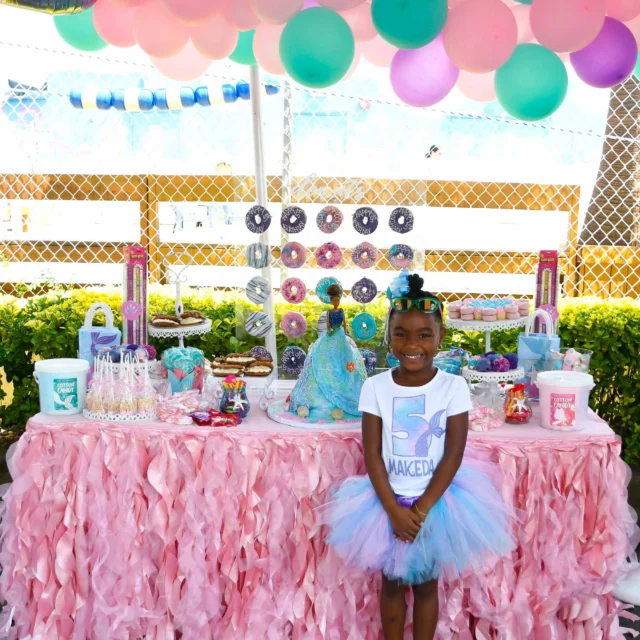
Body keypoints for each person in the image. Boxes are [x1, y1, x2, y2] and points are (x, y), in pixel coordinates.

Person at [320, 271, 515, 639]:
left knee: (426, 585)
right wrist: (395, 511)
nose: (413, 344)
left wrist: (421, 510)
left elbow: (453, 455)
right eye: (401, 334)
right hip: (384, 504)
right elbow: (373, 455)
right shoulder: (375, 387)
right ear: (389, 337)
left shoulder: (453, 386)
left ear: (440, 337)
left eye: (424, 335)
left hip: (438, 504)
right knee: (391, 584)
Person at [289, 283, 367, 421]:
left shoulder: (341, 311)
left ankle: (343, 392)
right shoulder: (329, 313)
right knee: (323, 356)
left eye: (337, 300)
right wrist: (329, 331)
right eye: (334, 300)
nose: (336, 302)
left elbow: (344, 323)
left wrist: (345, 332)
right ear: (332, 301)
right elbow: (327, 323)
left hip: (340, 335)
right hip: (330, 335)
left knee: (344, 358)